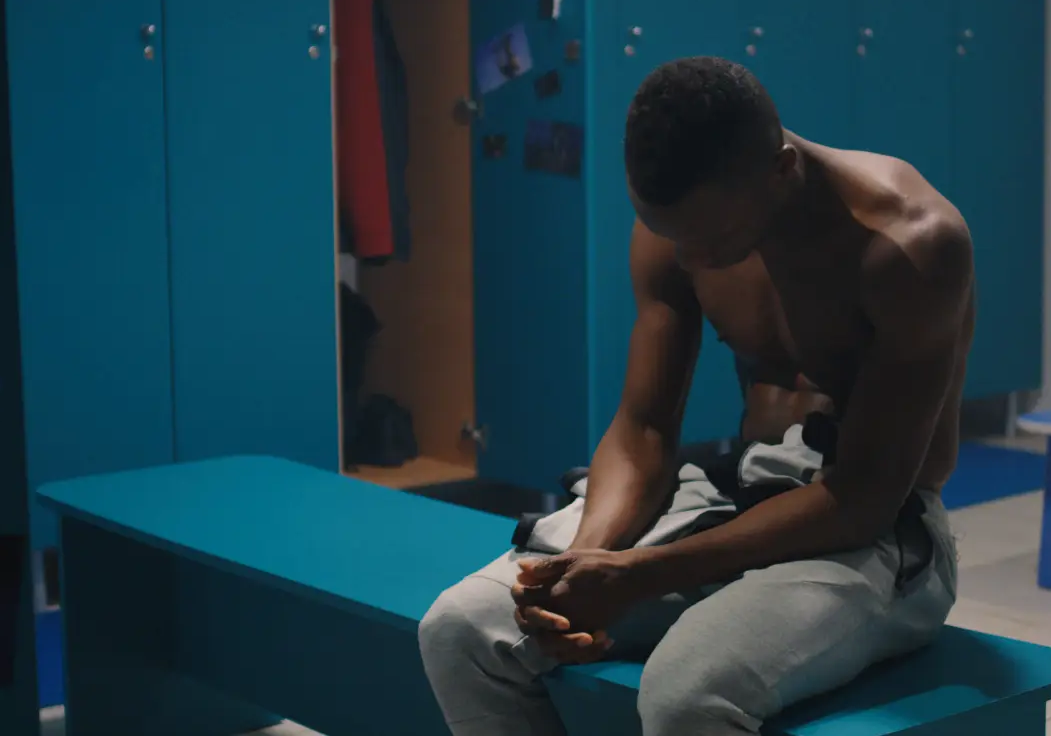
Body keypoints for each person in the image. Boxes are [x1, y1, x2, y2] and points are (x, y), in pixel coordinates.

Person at [418, 56, 975, 736]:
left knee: (688, 695)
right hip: (737, 496)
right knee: (460, 630)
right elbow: (644, 429)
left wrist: (639, 576)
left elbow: (863, 499)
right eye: (673, 238)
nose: (692, 262)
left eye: (715, 244)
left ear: (782, 172)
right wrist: (587, 566)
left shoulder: (908, 246)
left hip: (876, 533)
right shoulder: (679, 226)